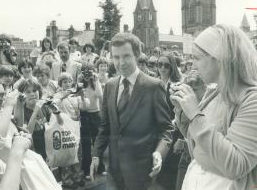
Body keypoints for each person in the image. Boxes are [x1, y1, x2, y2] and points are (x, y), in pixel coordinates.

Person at [170, 24, 257, 190]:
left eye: (196, 58)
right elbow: (198, 145)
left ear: (219, 58)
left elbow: (235, 165)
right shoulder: (216, 92)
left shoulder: (252, 100)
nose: (193, 66)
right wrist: (182, 110)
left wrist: (195, 114)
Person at [90, 33, 173, 190]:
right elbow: (105, 127)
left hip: (142, 172)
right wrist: (96, 155)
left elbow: (166, 130)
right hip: (114, 172)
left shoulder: (153, 86)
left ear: (136, 54)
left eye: (126, 56)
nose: (121, 63)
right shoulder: (110, 86)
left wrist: (159, 153)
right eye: (116, 57)